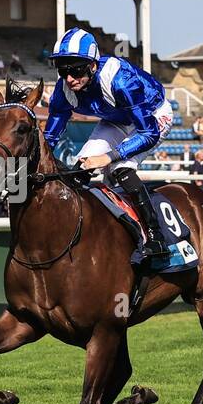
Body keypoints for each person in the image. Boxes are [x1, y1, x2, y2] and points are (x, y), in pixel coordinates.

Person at [43, 27, 176, 261]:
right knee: (79, 168)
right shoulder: (64, 90)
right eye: (63, 70)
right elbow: (49, 139)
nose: (69, 78)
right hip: (116, 120)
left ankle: (157, 238)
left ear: (93, 65)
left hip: (152, 118)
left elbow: (149, 133)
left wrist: (108, 157)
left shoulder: (120, 79)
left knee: (120, 168)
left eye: (75, 70)